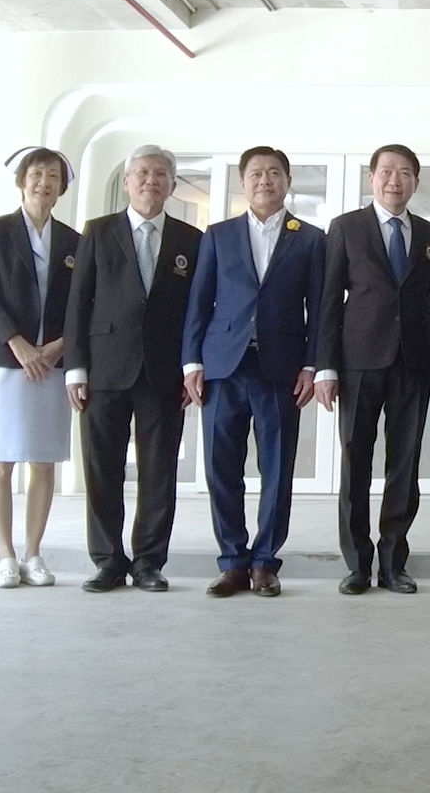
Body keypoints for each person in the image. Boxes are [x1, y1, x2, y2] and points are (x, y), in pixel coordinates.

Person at [182, 146, 326, 599]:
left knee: (277, 469)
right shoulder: (218, 235)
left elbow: (320, 308)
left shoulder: (310, 238)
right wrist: (192, 362)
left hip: (280, 368)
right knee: (220, 468)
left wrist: (311, 364)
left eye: (274, 173)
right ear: (243, 183)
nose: (265, 180)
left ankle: (265, 562)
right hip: (223, 366)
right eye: (256, 174)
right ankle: (232, 562)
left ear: (287, 182)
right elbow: (199, 302)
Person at [64, 145, 202, 594]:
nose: (150, 181)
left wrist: (191, 366)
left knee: (159, 470)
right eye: (141, 173)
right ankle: (107, 560)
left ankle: (148, 562)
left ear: (172, 185)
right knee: (102, 468)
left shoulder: (191, 239)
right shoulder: (98, 231)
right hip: (104, 368)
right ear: (126, 182)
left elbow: (197, 310)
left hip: (164, 372)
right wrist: (75, 369)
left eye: (160, 174)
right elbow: (78, 302)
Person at [315, 144, 430, 596]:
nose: (395, 180)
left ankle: (393, 563)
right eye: (386, 171)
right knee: (356, 463)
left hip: (413, 361)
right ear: (371, 179)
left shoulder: (429, 233)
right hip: (358, 362)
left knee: (404, 465)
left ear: (415, 182)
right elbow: (329, 300)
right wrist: (325, 367)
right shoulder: (346, 227)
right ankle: (356, 565)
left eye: (405, 172)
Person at [0, 147, 79, 589]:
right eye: (36, 174)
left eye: (53, 176)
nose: (44, 183)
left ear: (61, 187)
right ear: (22, 180)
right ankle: (4, 554)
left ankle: (33, 553)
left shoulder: (73, 240)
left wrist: (56, 348)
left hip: (52, 362)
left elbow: (84, 302)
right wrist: (17, 343)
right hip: (4, 360)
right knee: (1, 459)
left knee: (44, 460)